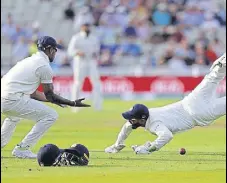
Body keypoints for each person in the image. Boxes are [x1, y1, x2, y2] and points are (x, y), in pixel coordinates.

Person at [105, 53, 226, 154]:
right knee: (213, 76)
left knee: (213, 77)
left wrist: (149, 148)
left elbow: (167, 136)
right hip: (191, 101)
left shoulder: (154, 124)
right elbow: (127, 127)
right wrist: (116, 146)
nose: (130, 120)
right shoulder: (147, 115)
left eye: (133, 118)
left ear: (142, 119)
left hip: (199, 114)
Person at [1, 36, 90, 159]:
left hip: (5, 97)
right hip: (12, 99)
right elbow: (50, 95)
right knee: (50, 115)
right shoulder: (44, 66)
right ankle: (22, 149)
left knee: (13, 117)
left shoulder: (29, 60)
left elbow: (34, 94)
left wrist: (58, 101)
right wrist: (72, 103)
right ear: (49, 49)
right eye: (55, 50)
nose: (55, 53)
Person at [67, 23, 102, 112]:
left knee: (96, 83)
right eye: (85, 26)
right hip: (80, 62)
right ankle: (75, 106)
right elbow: (70, 51)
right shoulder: (76, 37)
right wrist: (77, 52)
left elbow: (97, 51)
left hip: (91, 61)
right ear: (82, 27)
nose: (87, 28)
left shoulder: (94, 38)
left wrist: (95, 54)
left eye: (88, 26)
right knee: (78, 83)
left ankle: (97, 106)